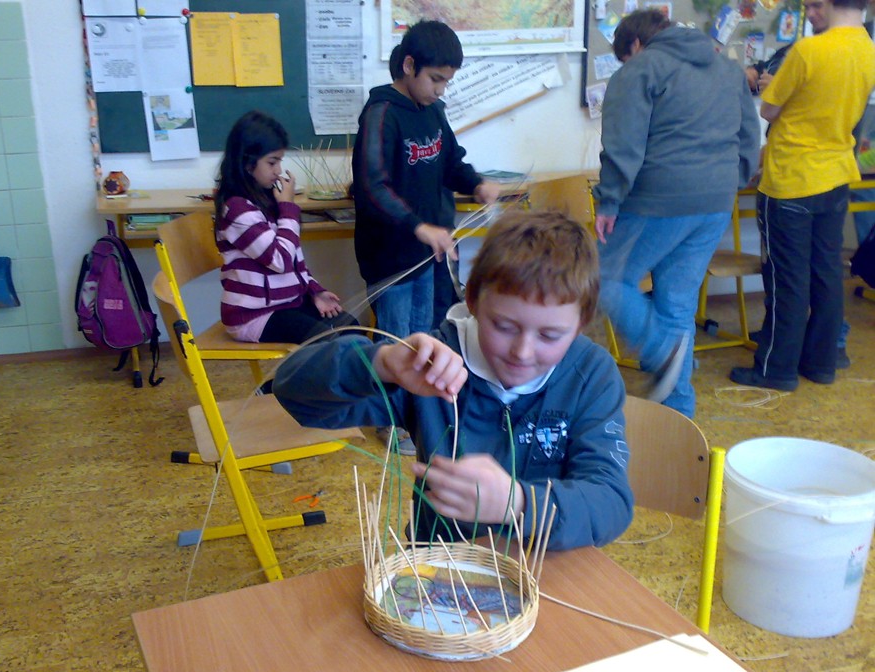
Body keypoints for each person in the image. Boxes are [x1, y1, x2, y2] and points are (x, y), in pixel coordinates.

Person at [273, 209, 634, 551]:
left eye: (550, 335)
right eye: (504, 326)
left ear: (580, 324)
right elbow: (293, 393)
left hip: (544, 565)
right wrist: (379, 364)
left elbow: (612, 504)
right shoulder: (428, 365)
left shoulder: (591, 375)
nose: (523, 352)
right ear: (473, 300)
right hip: (440, 564)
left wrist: (519, 503)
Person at [593, 9, 760, 419]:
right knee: (677, 305)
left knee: (603, 279)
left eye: (624, 57)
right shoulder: (727, 68)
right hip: (716, 201)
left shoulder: (641, 69)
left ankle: (660, 349)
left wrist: (609, 200)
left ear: (634, 44)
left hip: (658, 198)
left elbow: (623, 144)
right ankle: (678, 412)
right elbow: (749, 135)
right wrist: (730, 180)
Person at [352, 19, 500, 454]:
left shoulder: (433, 110)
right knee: (395, 340)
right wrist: (418, 226)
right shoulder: (381, 114)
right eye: (435, 79)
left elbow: (451, 162)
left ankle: (420, 415)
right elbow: (372, 187)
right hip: (392, 257)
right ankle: (389, 419)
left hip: (430, 254)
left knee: (427, 334)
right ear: (409, 65)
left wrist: (476, 183)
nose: (440, 89)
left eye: (446, 81)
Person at [729, 0, 875, 391]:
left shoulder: (809, 49)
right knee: (827, 273)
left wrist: (772, 88)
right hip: (836, 173)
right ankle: (821, 362)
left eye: (813, 5)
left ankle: (775, 370)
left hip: (792, 177)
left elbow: (769, 110)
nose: (809, 13)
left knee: (786, 279)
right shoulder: (867, 47)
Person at [214, 111, 356, 345]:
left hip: (285, 303)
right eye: (272, 162)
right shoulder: (237, 209)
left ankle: (348, 368)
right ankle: (299, 373)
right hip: (252, 316)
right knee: (327, 341)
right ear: (247, 162)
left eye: (280, 161)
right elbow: (280, 260)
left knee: (351, 328)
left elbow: (294, 257)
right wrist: (288, 208)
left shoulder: (267, 199)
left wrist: (314, 291)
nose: (279, 170)